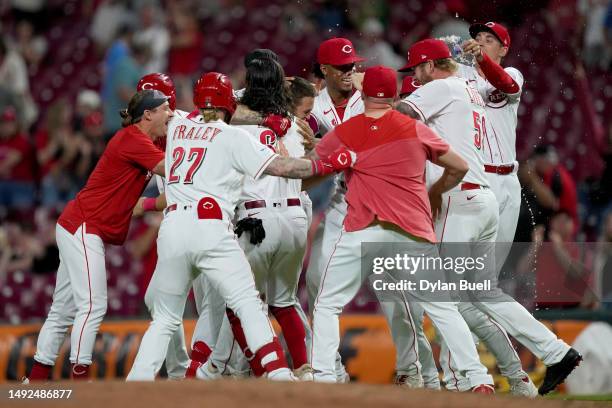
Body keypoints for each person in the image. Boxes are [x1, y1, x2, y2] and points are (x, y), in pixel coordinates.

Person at [126, 71, 354, 381]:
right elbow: (285, 167)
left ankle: (142, 381)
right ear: (228, 102)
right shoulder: (232, 137)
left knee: (164, 317)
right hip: (211, 228)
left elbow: (195, 112)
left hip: (174, 228)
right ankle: (276, 373)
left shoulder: (178, 124)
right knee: (246, 302)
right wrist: (332, 160)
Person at [398, 38, 581, 396]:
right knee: (479, 293)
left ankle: (469, 380)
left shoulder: (451, 85)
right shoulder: (469, 87)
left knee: (447, 293)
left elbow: (400, 114)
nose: (417, 77)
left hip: (463, 196)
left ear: (431, 66)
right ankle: (551, 354)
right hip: (482, 195)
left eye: (419, 69)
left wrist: (369, 101)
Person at [309, 65, 495, 393]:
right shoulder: (414, 129)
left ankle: (323, 378)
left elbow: (309, 171)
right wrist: (435, 192)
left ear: (362, 95)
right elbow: (460, 166)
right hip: (412, 231)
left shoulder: (347, 130)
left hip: (363, 229)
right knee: (443, 308)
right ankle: (478, 378)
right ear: (395, 96)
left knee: (327, 303)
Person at [24, 89, 172, 382]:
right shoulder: (134, 138)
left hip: (77, 224)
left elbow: (134, 204)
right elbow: (171, 168)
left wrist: (161, 202)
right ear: (148, 114)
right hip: (84, 226)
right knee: (92, 304)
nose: (170, 113)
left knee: (62, 311)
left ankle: (35, 381)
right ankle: (81, 380)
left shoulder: (138, 140)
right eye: (165, 108)